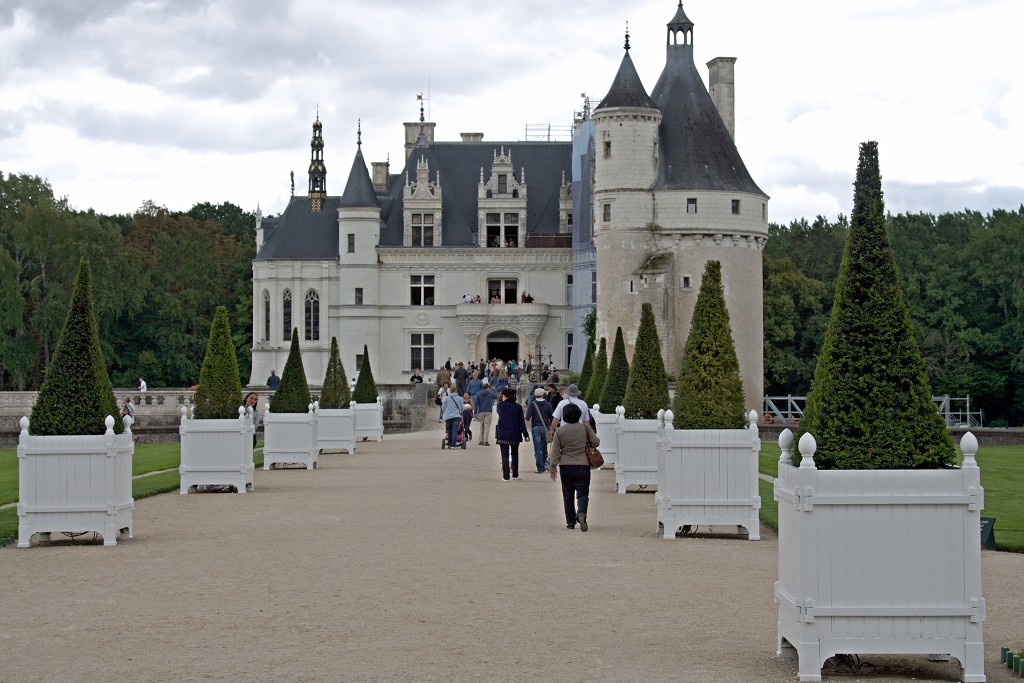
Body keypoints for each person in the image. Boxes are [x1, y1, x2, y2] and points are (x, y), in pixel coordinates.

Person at [548, 402, 599, 531]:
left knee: (568, 494)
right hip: (583, 464)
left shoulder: (560, 431)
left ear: (564, 416)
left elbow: (555, 452)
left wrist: (552, 468)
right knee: (582, 493)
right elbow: (596, 442)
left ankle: (570, 521)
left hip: (565, 465)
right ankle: (581, 513)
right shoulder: (585, 428)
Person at [494, 387, 529, 481]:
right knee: (515, 454)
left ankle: (505, 476)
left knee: (504, 455)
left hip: (503, 433)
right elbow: (522, 422)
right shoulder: (518, 407)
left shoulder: (500, 406)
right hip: (515, 433)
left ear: (505, 396)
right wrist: (526, 435)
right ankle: (515, 474)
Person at [526, 387, 554, 473]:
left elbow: (527, 418)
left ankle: (540, 467)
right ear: (543, 395)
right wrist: (552, 429)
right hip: (545, 427)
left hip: (535, 427)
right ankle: (545, 464)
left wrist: (525, 431)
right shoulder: (548, 404)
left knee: (537, 449)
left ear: (535, 395)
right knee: (544, 447)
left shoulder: (532, 404)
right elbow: (551, 418)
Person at [473, 379, 498, 445]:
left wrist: (475, 412)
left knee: (481, 426)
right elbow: (497, 397)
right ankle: (486, 441)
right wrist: (494, 390)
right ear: (488, 388)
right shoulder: (490, 393)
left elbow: (476, 404)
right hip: (488, 411)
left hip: (481, 411)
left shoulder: (478, 394)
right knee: (487, 426)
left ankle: (481, 440)